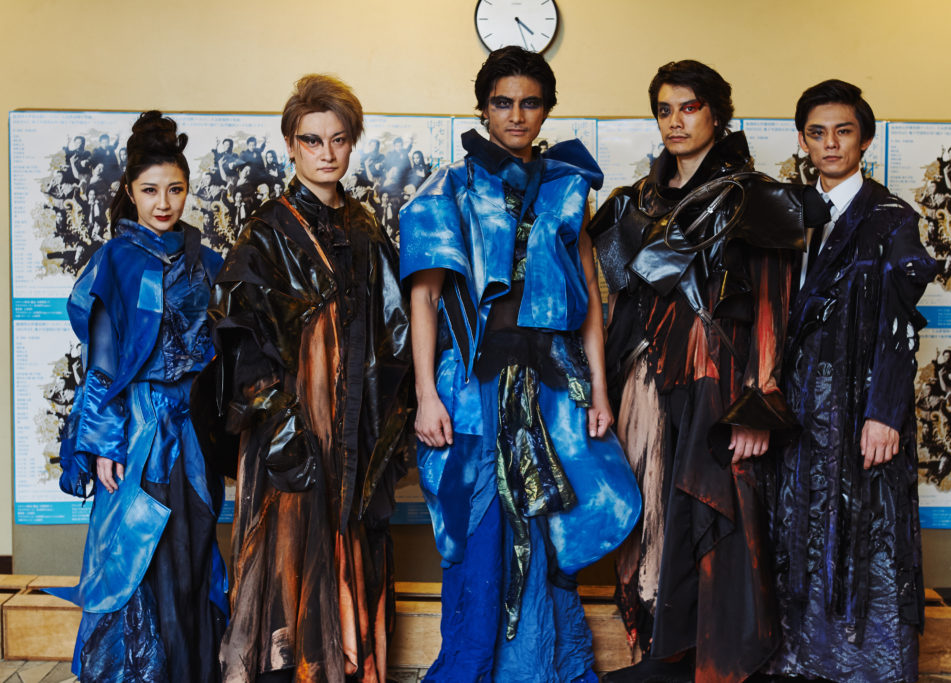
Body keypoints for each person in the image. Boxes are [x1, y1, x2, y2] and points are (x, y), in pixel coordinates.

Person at [399, 46, 640, 682]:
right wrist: (426, 394)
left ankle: (543, 668)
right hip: (471, 386)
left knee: (550, 527)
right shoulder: (450, 186)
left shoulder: (568, 186)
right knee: (479, 530)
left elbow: (590, 298)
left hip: (553, 385)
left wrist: (600, 391)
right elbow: (425, 298)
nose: (515, 115)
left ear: (546, 110)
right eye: (502, 102)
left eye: (529, 103)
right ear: (483, 108)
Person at [588, 60, 825, 683]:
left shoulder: (754, 197)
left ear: (716, 115)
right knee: (646, 507)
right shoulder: (634, 202)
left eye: (689, 108)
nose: (675, 121)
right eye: (664, 110)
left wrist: (758, 403)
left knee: (714, 512)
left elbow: (773, 306)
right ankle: (655, 649)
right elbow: (614, 299)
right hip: (642, 375)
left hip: (717, 382)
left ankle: (706, 660)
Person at [192, 74, 411, 683]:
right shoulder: (266, 231)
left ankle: (346, 667)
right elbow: (240, 344)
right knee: (287, 549)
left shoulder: (366, 229)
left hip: (355, 423)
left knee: (352, 542)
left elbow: (393, 335)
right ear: (290, 145)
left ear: (352, 143)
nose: (326, 153)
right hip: (288, 427)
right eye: (312, 140)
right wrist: (288, 426)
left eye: (338, 139)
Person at [768, 79, 937, 682]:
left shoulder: (890, 218)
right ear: (803, 140)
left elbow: (900, 324)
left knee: (865, 527)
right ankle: (800, 658)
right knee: (797, 523)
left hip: (859, 405)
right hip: (796, 404)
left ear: (865, 139)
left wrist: (885, 412)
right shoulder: (788, 213)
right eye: (818, 133)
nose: (831, 143)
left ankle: (866, 668)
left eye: (843, 131)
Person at [51, 110, 228, 682]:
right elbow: (102, 360)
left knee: (192, 551)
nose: (163, 203)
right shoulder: (115, 261)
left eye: (175, 189)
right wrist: (104, 444)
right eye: (150, 190)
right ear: (130, 192)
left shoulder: (206, 262)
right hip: (138, 432)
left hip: (193, 432)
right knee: (137, 554)